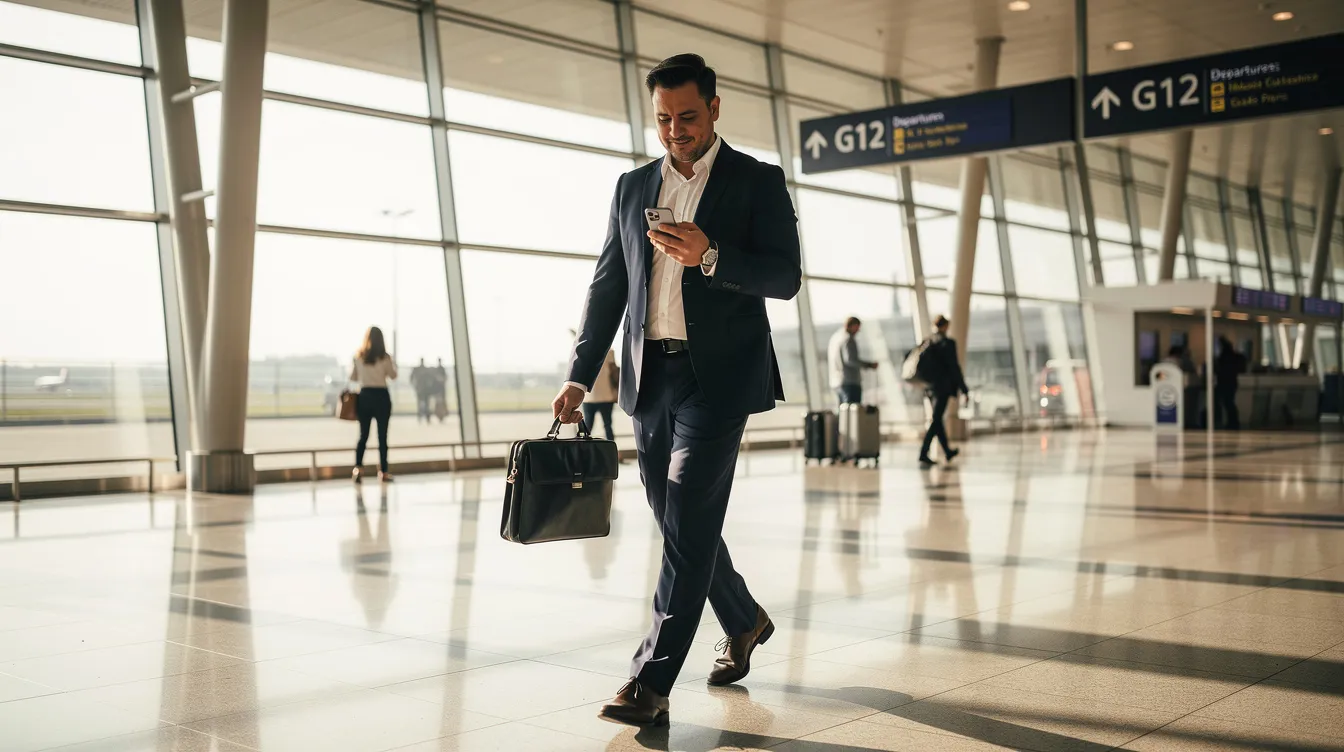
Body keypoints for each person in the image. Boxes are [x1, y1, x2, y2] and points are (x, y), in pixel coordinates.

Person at [551, 53, 801, 727]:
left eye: (687, 116)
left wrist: (710, 256)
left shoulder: (756, 181)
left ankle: (649, 682)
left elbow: (785, 277)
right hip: (648, 377)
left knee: (687, 513)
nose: (674, 130)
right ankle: (743, 620)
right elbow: (609, 286)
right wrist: (580, 374)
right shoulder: (632, 188)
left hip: (717, 378)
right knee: (680, 523)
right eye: (663, 118)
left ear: (715, 108)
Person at [918, 315, 969, 468]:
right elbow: (954, 368)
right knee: (936, 420)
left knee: (937, 419)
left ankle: (946, 451)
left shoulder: (928, 342)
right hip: (943, 388)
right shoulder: (947, 344)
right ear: (945, 326)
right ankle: (923, 452)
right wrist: (964, 388)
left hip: (929, 388)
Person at [350, 326, 397, 483]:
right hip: (381, 396)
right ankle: (383, 471)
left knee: (363, 435)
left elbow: (353, 377)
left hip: (365, 396)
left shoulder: (359, 357)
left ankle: (358, 468)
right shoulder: (385, 357)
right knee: (382, 436)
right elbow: (393, 375)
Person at [574, 329, 620, 441]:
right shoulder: (610, 352)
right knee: (608, 425)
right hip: (606, 396)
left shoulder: (585, 352)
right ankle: (612, 452)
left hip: (589, 397)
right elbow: (614, 374)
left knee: (587, 427)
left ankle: (582, 452)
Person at [827, 316, 878, 405]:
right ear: (853, 326)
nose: (858, 331)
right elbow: (851, 360)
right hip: (849, 381)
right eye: (857, 328)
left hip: (836, 381)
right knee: (852, 412)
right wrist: (869, 365)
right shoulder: (848, 340)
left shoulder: (836, 338)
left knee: (843, 412)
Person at [1214, 336, 1245, 430]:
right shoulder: (1235, 357)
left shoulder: (1223, 357)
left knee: (1224, 402)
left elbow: (1219, 369)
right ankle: (1233, 422)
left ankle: (1224, 421)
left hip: (1224, 382)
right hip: (1232, 382)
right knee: (1229, 402)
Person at [410, 359, 432, 423]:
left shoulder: (424, 370)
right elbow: (412, 377)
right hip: (420, 389)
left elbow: (430, 378)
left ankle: (426, 417)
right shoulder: (419, 369)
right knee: (421, 404)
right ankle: (421, 417)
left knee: (426, 404)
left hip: (424, 389)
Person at [433, 358, 449, 423]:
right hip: (438, 388)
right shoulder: (437, 370)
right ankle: (439, 414)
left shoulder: (441, 369)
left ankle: (442, 414)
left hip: (441, 388)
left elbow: (445, 377)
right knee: (439, 402)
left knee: (441, 402)